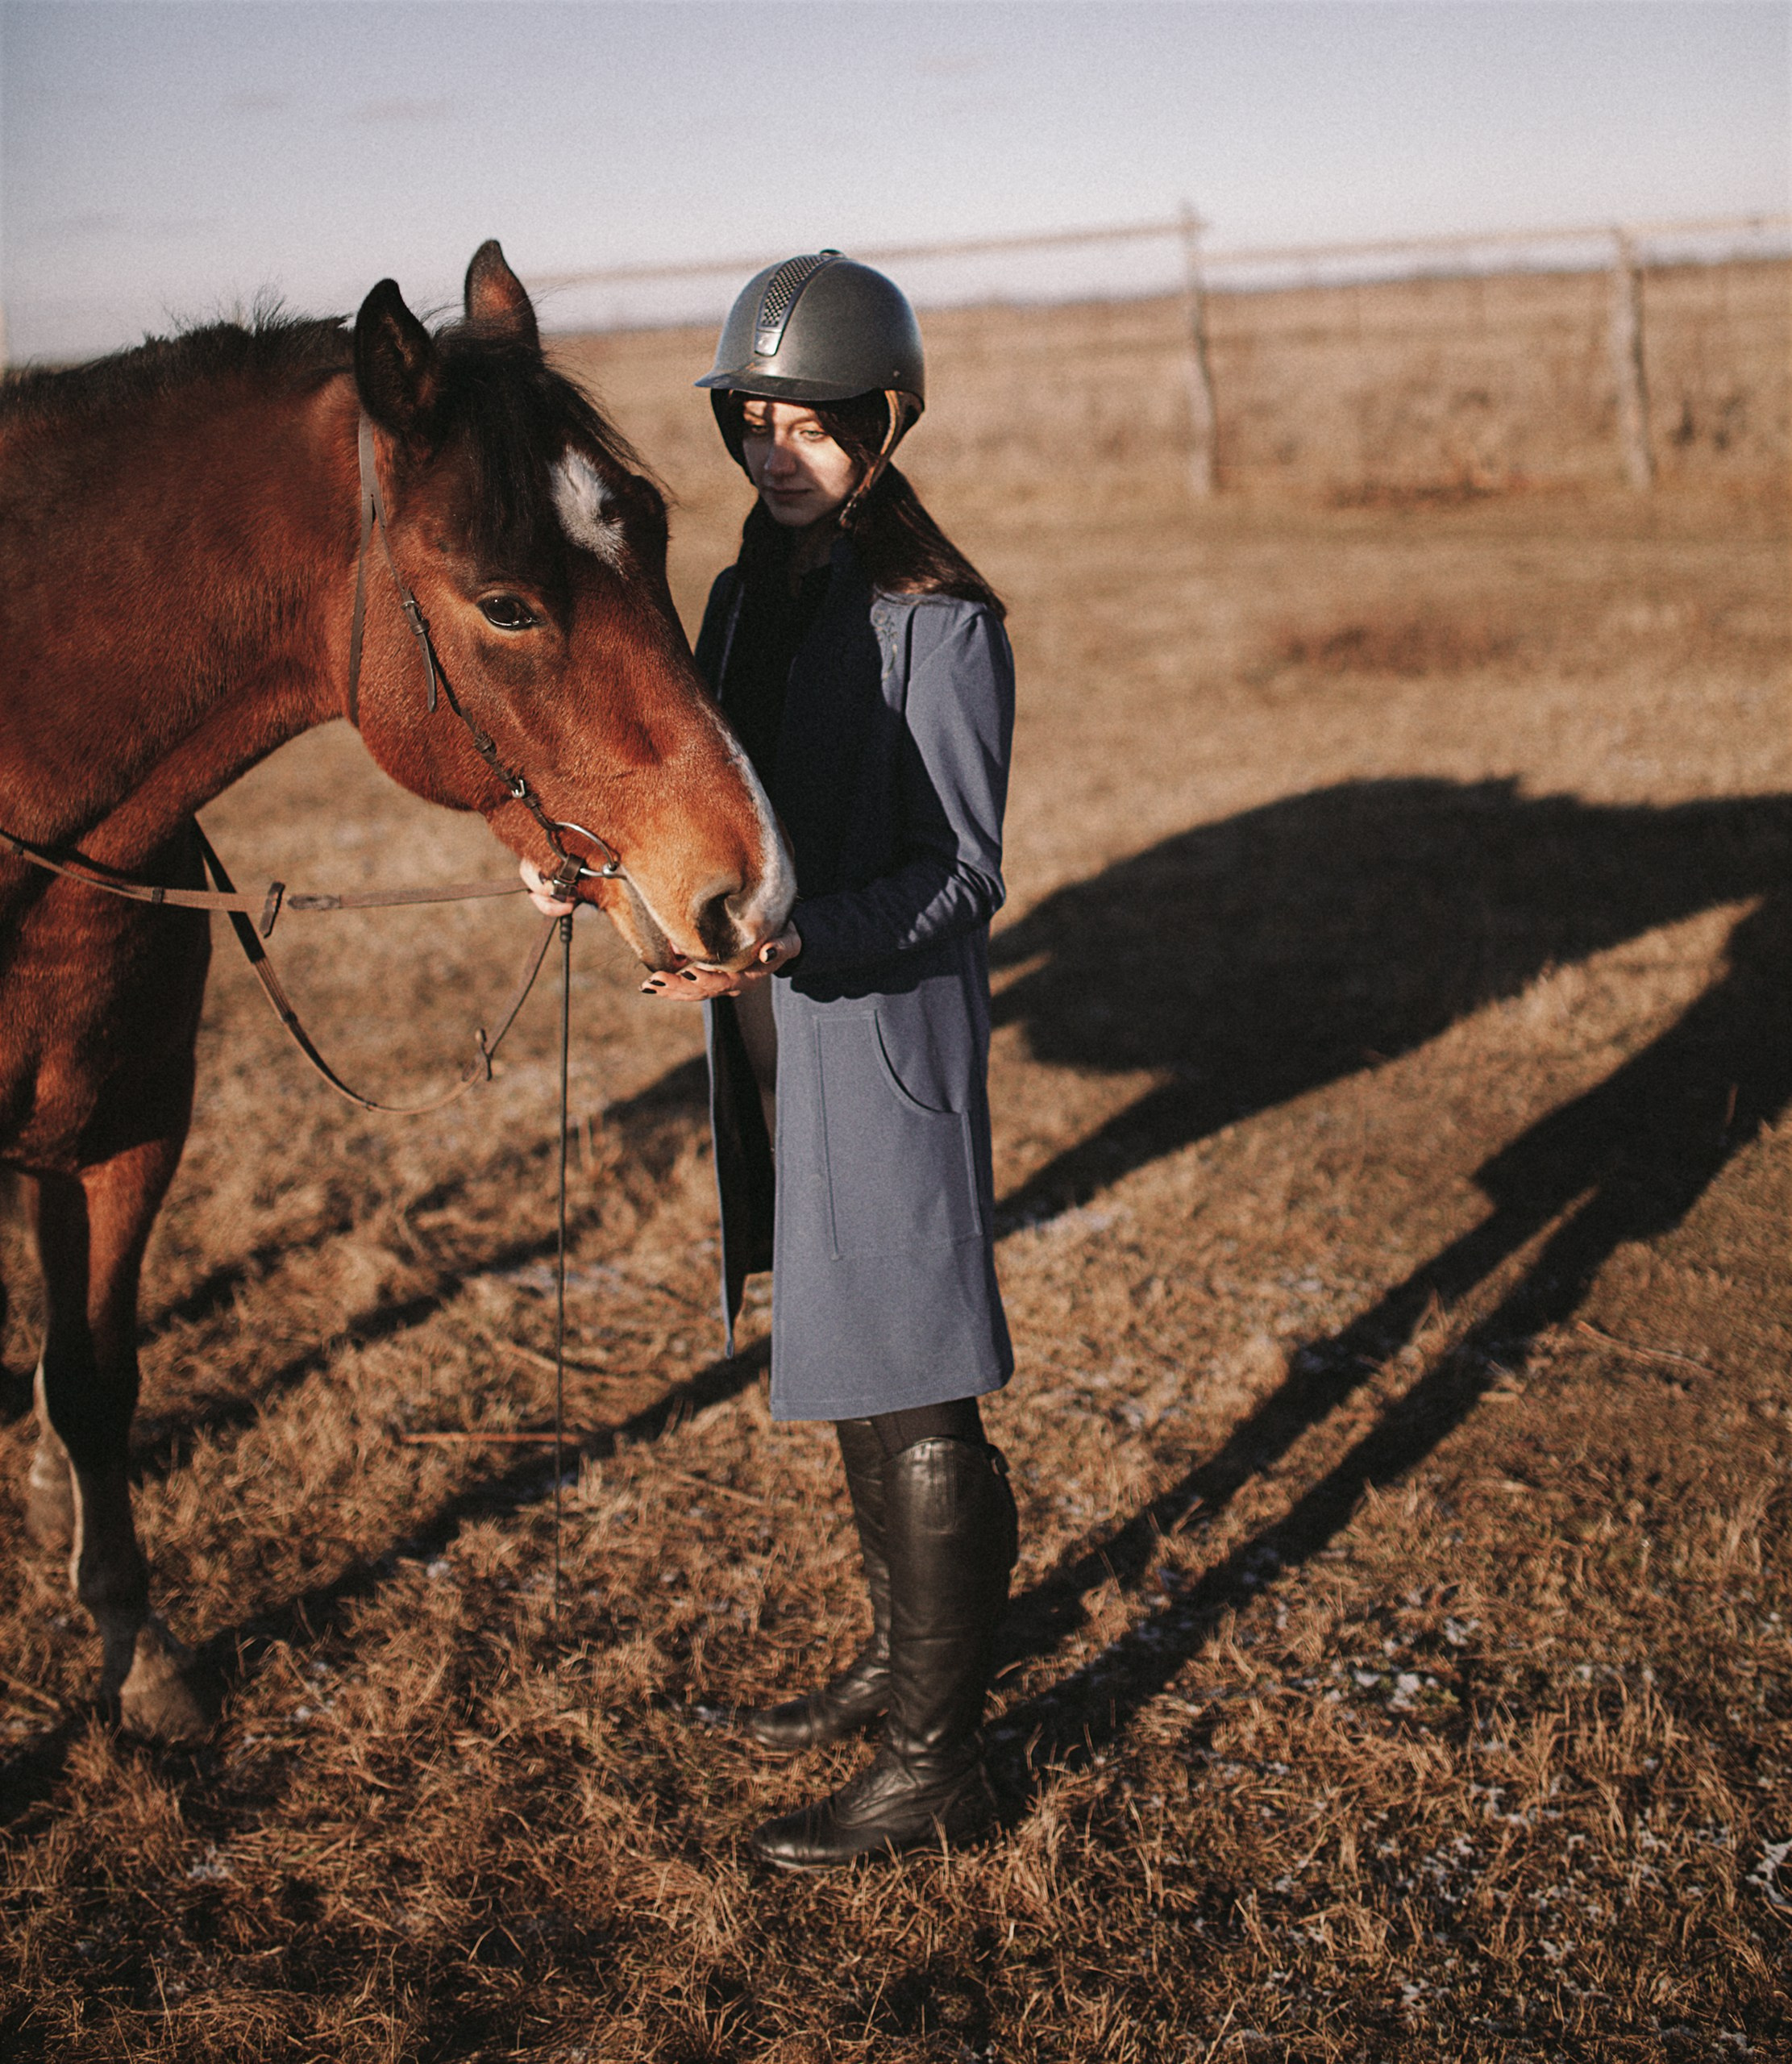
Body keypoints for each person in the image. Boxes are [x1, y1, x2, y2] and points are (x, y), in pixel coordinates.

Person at [527, 252, 1018, 1869]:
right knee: (850, 1355)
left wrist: (803, 943)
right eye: (754, 421)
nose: (775, 452)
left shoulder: (935, 626)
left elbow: (962, 874)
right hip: (771, 1024)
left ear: (884, 421)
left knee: (918, 1377)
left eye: (811, 425)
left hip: (877, 1023)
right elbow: (705, 806)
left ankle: (939, 1757)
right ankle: (893, 1661)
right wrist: (593, 868)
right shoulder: (742, 597)